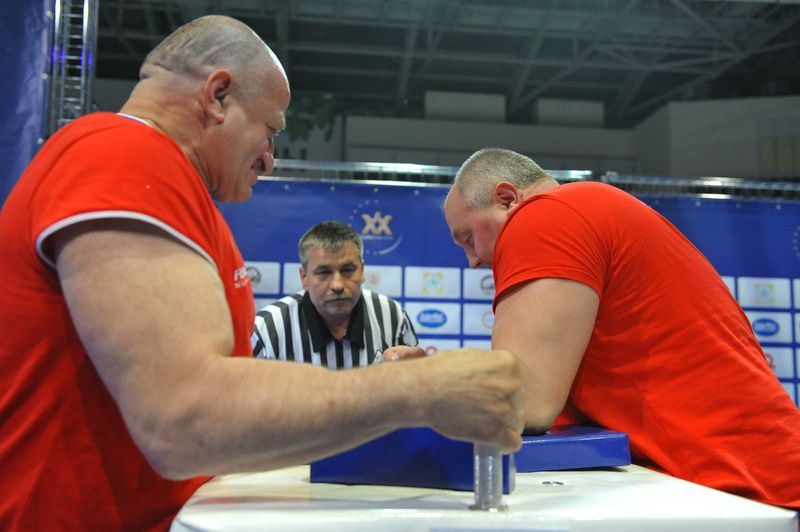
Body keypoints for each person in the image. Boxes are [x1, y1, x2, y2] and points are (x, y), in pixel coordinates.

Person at [0, 18, 523, 530]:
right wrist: (418, 390)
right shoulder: (123, 155)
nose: (271, 160)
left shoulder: (168, 184)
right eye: (270, 130)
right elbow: (185, 421)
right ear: (218, 96)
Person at [443, 147, 800, 509]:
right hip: (750, 483)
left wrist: (412, 386)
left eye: (469, 238)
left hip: (751, 493)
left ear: (507, 199)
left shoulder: (546, 215)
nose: (473, 261)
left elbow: (523, 401)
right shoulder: (590, 210)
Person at [253, 220, 420, 368]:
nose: (338, 285)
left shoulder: (392, 316)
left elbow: (415, 392)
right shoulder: (267, 329)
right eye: (324, 272)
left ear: (362, 270)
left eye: (348, 270)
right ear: (304, 277)